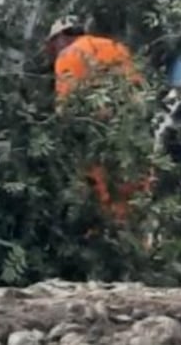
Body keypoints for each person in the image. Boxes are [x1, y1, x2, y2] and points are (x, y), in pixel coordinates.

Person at [44, 15, 146, 221]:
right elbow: (139, 90)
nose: (54, 52)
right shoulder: (117, 47)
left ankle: (116, 242)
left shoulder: (68, 54)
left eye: (53, 45)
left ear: (61, 37)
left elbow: (66, 110)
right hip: (134, 135)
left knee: (104, 200)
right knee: (139, 195)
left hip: (99, 138)